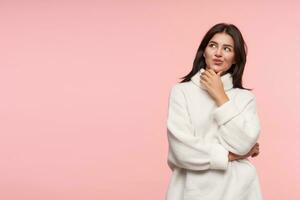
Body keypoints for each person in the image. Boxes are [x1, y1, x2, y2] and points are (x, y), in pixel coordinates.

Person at [165, 23, 263, 200]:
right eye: (213, 45)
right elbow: (182, 151)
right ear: (204, 51)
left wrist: (220, 96)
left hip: (238, 189)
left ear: (235, 58)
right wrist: (232, 156)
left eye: (227, 48)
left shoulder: (245, 98)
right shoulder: (181, 92)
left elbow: (244, 144)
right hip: (189, 190)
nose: (218, 53)